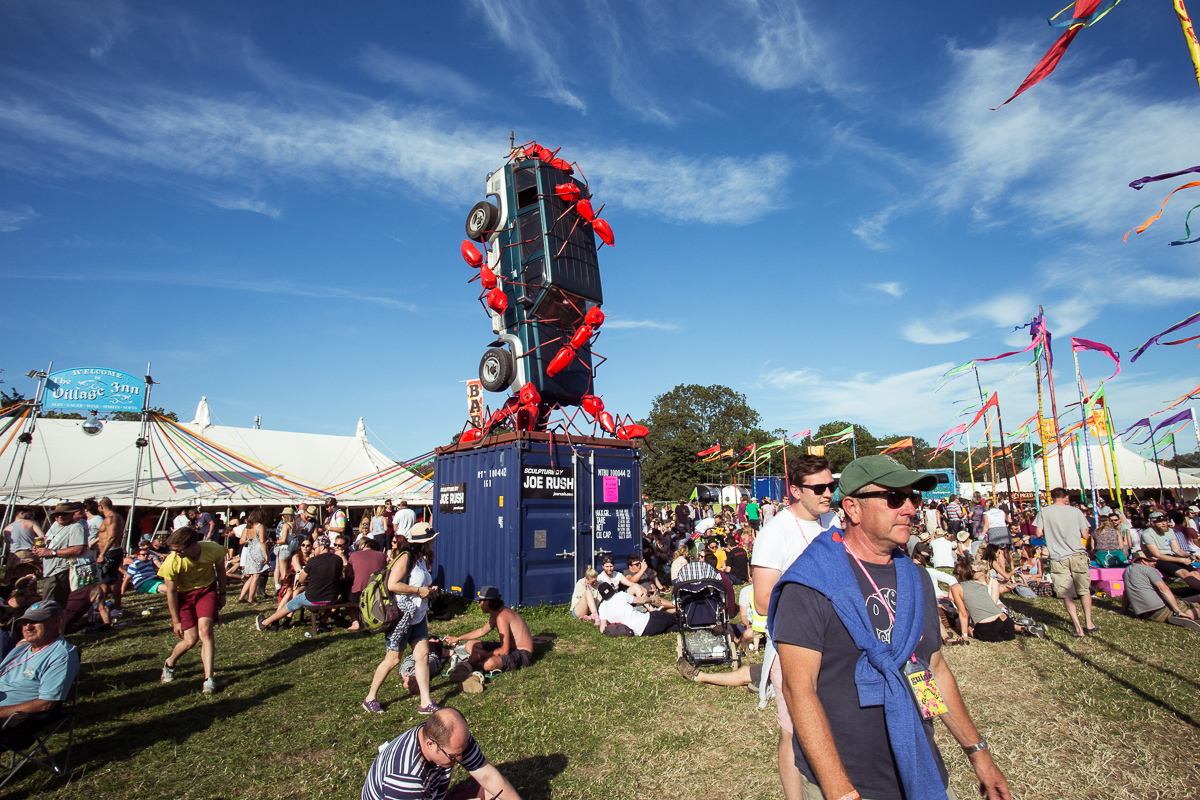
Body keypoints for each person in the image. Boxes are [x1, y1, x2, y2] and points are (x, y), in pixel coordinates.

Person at [770, 455, 1011, 800]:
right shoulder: (810, 583)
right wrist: (840, 791)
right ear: (852, 508)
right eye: (895, 498)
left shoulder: (915, 579)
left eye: (915, 498)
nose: (910, 508)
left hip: (919, 769)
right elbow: (799, 691)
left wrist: (978, 753)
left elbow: (929, 672)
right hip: (848, 782)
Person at [749, 454, 841, 800]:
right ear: (795, 491)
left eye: (831, 486)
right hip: (793, 646)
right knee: (795, 731)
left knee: (831, 726)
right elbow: (762, 599)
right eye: (818, 488)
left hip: (837, 644)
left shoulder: (835, 522)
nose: (827, 493)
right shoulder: (776, 533)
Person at [360, 707, 522, 800]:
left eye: (461, 752)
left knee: (500, 795)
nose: (460, 759)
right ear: (431, 744)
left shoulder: (453, 738)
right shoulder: (407, 779)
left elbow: (487, 775)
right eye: (453, 756)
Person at [363, 524, 439, 713]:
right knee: (393, 659)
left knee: (422, 656)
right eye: (431, 538)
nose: (433, 541)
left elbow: (420, 585)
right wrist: (419, 591)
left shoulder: (421, 559)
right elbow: (392, 584)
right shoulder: (406, 558)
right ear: (425, 541)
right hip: (402, 617)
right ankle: (370, 697)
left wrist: (429, 592)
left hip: (418, 615)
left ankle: (425, 701)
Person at [159, 526, 227, 694]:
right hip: (184, 596)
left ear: (193, 545)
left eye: (179, 550)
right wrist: (176, 621)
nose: (176, 553)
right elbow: (171, 593)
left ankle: (208, 679)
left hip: (206, 591)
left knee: (205, 631)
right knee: (190, 640)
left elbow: (220, 570)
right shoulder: (172, 562)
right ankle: (170, 663)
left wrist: (222, 593)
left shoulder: (213, 549)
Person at [0, 601, 80, 734]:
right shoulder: (22, 648)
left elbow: (46, 705)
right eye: (25, 622)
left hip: (14, 721)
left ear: (56, 621)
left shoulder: (61, 655)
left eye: (36, 621)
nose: (28, 627)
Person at [1034, 488, 1097, 638]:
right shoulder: (1076, 512)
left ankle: (1078, 628)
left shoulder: (1044, 511)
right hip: (1077, 554)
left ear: (1052, 497)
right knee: (1084, 590)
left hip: (1057, 556)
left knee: (1066, 594)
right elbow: (1085, 534)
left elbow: (1038, 533)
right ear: (1066, 497)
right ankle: (1089, 622)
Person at [446, 587, 534, 692]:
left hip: (522, 653)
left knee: (489, 664)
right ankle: (478, 663)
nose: (478, 605)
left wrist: (479, 656)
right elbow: (482, 631)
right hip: (508, 648)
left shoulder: (501, 617)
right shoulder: (495, 614)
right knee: (469, 645)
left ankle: (477, 665)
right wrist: (458, 638)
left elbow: (504, 651)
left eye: (480, 601)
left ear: (487, 602)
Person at [255, 536, 345, 631]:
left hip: (312, 598)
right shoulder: (338, 560)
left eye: (314, 548)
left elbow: (301, 580)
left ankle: (265, 622)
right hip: (331, 599)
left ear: (322, 547)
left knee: (290, 605)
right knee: (325, 598)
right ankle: (322, 622)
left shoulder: (313, 561)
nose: (313, 551)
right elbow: (339, 576)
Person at [953, 559, 1046, 641]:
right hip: (1005, 621)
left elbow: (963, 614)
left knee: (958, 623)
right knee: (1003, 626)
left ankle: (1022, 628)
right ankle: (1022, 628)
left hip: (987, 628)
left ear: (958, 576)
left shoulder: (956, 587)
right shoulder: (982, 585)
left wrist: (964, 635)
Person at [1120, 550, 1200, 629]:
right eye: (1153, 561)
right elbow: (1163, 588)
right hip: (1161, 610)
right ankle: (1184, 618)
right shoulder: (1149, 570)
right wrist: (1178, 611)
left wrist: (1122, 611)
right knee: (1196, 607)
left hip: (1144, 615)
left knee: (1183, 600)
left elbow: (1126, 593)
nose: (1156, 563)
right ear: (1144, 561)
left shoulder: (1127, 571)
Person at [31, 502, 89, 608]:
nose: (60, 516)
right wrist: (39, 549)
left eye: (64, 514)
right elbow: (46, 539)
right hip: (50, 569)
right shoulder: (55, 525)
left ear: (72, 514)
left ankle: (55, 624)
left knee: (51, 606)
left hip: (61, 570)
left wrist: (51, 552)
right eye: (57, 514)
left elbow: (79, 549)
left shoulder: (76, 527)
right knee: (51, 605)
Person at [1141, 511, 1200, 592]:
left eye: (1165, 520)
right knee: (1184, 573)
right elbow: (1157, 555)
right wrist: (1181, 560)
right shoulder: (1147, 534)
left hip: (1170, 556)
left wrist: (1189, 555)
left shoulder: (1169, 531)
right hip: (1156, 559)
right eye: (1160, 522)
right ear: (1152, 523)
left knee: (1195, 573)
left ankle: (1195, 590)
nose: (1164, 523)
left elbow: (1177, 549)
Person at [595, 582, 677, 637]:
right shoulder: (621, 595)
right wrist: (652, 599)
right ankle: (685, 615)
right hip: (649, 620)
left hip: (642, 632)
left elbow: (602, 629)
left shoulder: (602, 607)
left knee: (671, 627)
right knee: (675, 617)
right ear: (612, 589)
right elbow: (642, 600)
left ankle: (686, 627)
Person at [95, 497, 125, 615]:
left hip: (110, 551)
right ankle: (110, 607)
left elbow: (111, 537)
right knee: (112, 580)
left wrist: (102, 554)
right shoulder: (118, 517)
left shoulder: (111, 518)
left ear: (101, 507)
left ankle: (109, 608)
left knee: (106, 582)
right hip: (114, 550)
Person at [236, 508, 270, 603]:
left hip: (250, 550)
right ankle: (251, 598)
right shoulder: (260, 526)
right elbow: (262, 541)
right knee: (256, 575)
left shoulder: (248, 527)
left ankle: (241, 597)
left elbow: (243, 540)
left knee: (251, 575)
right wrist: (266, 555)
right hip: (259, 550)